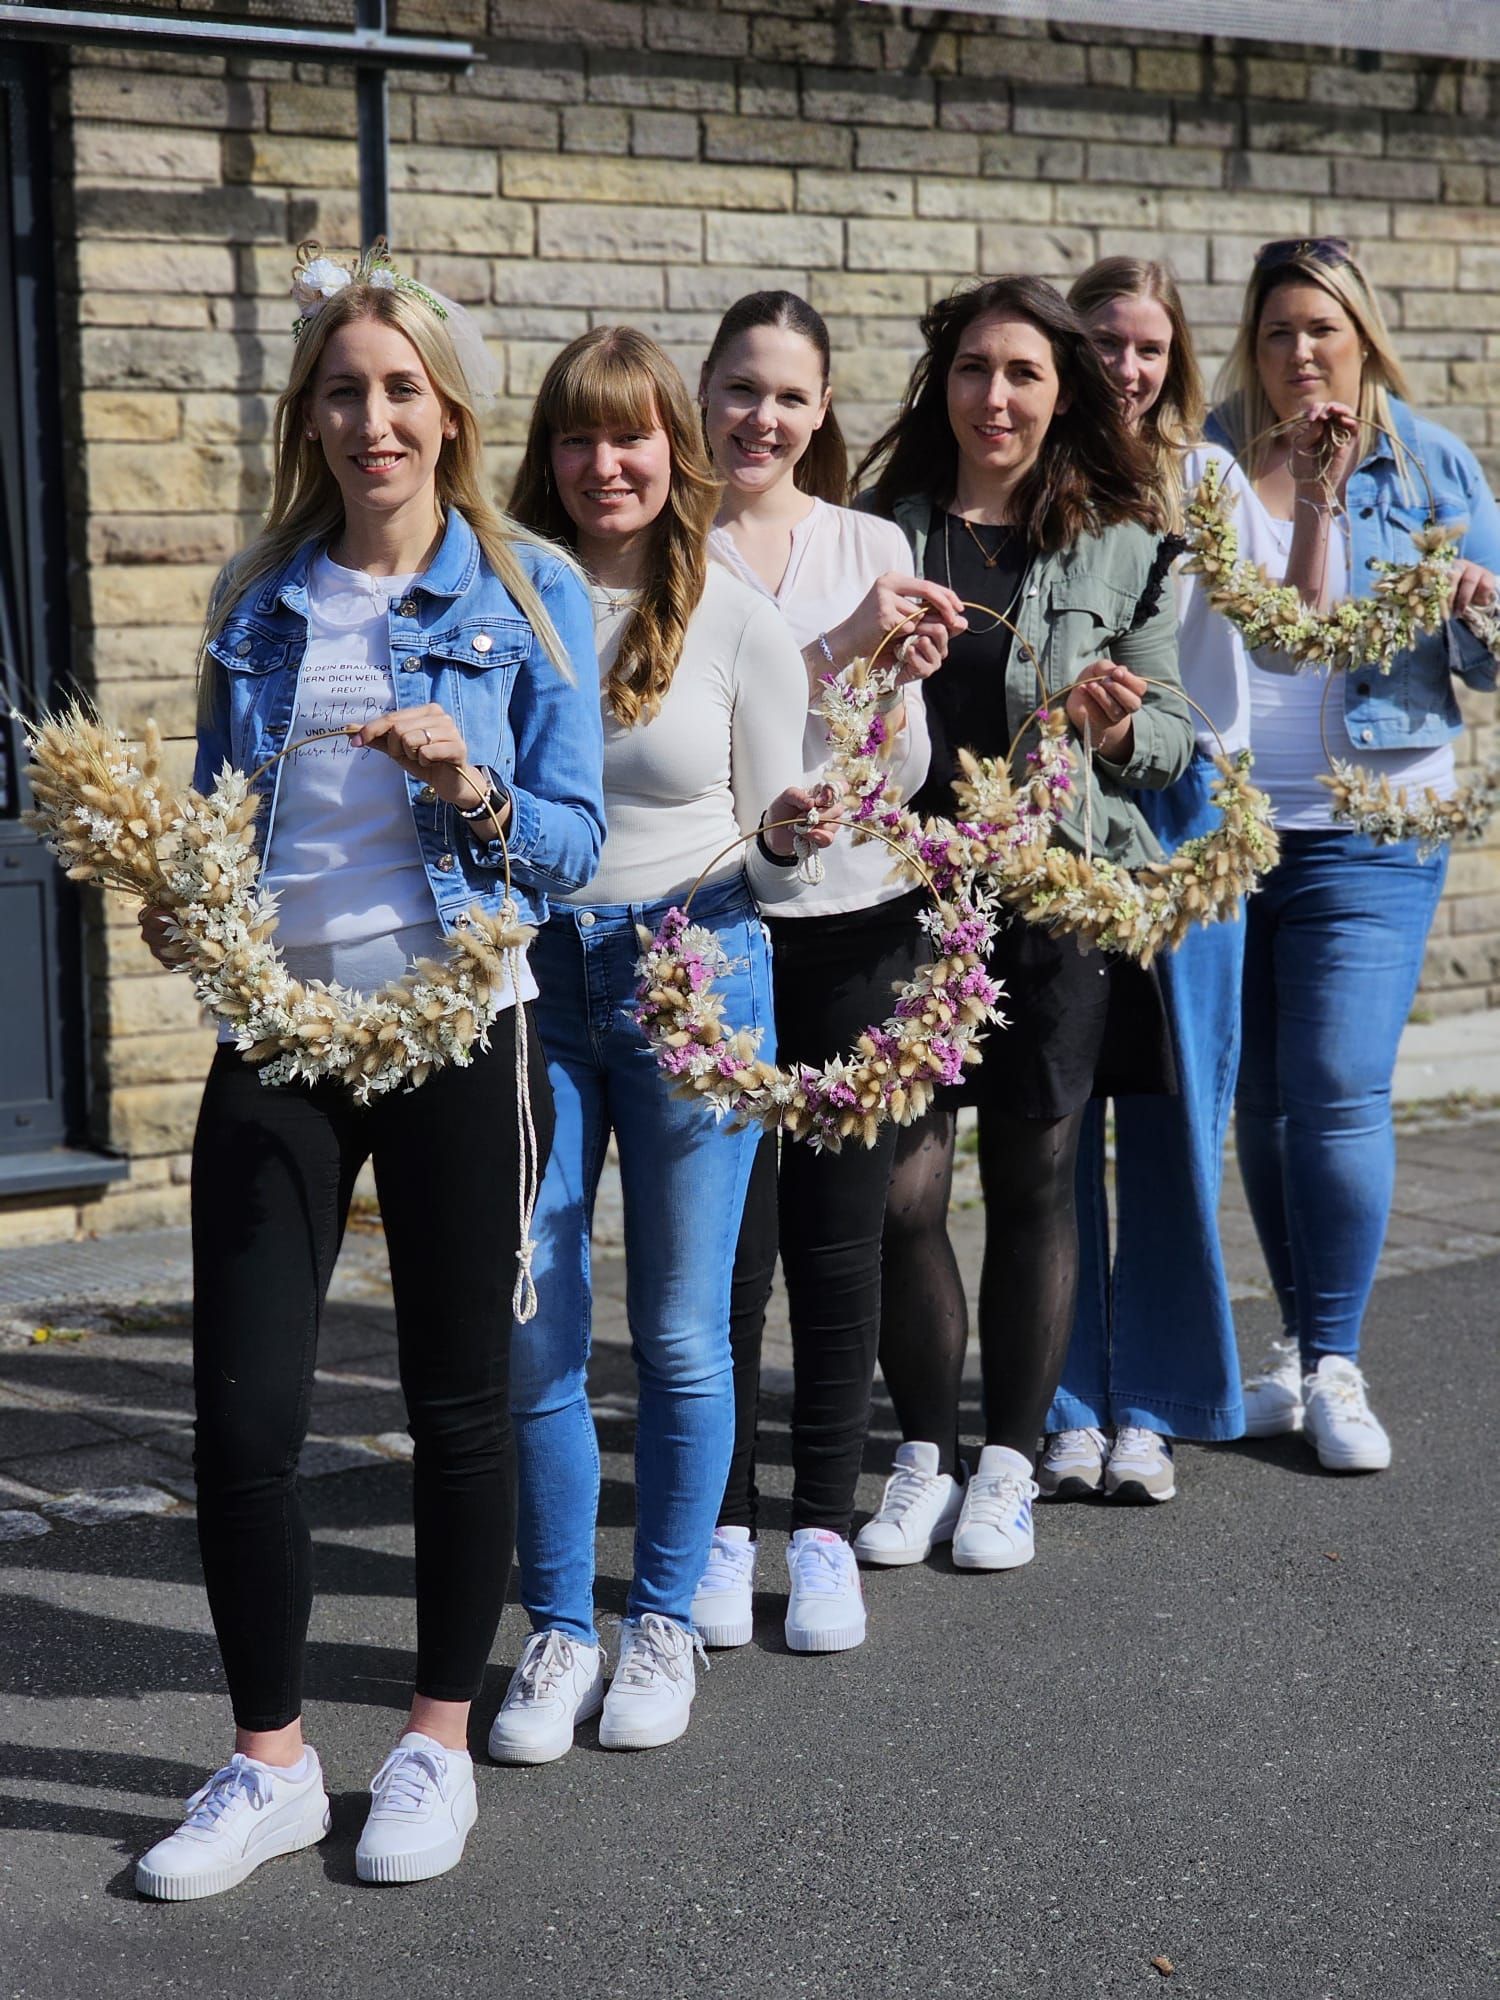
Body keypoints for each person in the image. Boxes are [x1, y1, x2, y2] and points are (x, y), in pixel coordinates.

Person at [131, 245, 606, 1899]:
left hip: (458, 1025)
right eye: (345, 390)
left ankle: (435, 1744)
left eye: (403, 388)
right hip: (279, 1033)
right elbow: (220, 812)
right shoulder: (256, 597)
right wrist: (185, 899)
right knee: (245, 1413)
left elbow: (572, 848)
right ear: (310, 416)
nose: (374, 418)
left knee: (455, 1399)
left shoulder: (530, 594)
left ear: (450, 411)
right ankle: (268, 1764)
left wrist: (474, 786)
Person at [495, 326, 833, 1759]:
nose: (603, 463)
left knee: (685, 1332)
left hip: (698, 968)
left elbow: (780, 862)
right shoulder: (507, 595)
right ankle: (559, 1628)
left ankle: (661, 1620)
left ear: (672, 449)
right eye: (577, 436)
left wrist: (787, 839)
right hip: (534, 984)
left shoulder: (737, 616)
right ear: (547, 455)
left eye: (629, 434)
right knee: (539, 1326)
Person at [852, 275, 1194, 1575]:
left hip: (1054, 896)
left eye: (1024, 374)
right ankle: (923, 1454)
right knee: (904, 1190)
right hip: (902, 893)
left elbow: (1175, 732)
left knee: (1037, 1179)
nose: (995, 397)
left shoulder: (1124, 539)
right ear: (941, 382)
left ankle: (1005, 1464)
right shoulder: (877, 532)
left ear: (1064, 394)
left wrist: (1115, 726)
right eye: (974, 369)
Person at [689, 289, 965, 1656]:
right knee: (728, 1250)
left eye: (790, 396)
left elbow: (901, 771)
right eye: (742, 389)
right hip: (719, 923)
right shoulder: (670, 546)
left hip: (859, 922)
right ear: (703, 394)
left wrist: (896, 678)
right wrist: (846, 645)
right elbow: (702, 735)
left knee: (841, 1242)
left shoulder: (871, 540)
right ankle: (720, 1528)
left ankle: (822, 1532)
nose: (764, 418)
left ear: (823, 409)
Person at [1210, 238, 1500, 1471]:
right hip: (1228, 828)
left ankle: (1336, 1359)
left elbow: (1492, 659)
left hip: (1375, 824)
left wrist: (1479, 609)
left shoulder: (1428, 463)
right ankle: (1295, 1342)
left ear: (1362, 336)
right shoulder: (1212, 455)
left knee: (1335, 1084)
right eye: (1278, 329)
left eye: (1321, 328)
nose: (1299, 352)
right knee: (1263, 1099)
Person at [1040, 256, 1255, 1506]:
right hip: (1063, 804)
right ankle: (1064, 1400)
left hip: (1189, 808)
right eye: (1108, 342)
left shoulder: (1209, 481)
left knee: (1176, 1111)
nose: (1128, 367)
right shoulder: (1043, 475)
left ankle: (1158, 1402)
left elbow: (1272, 638)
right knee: (1059, 1112)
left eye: (1151, 348)